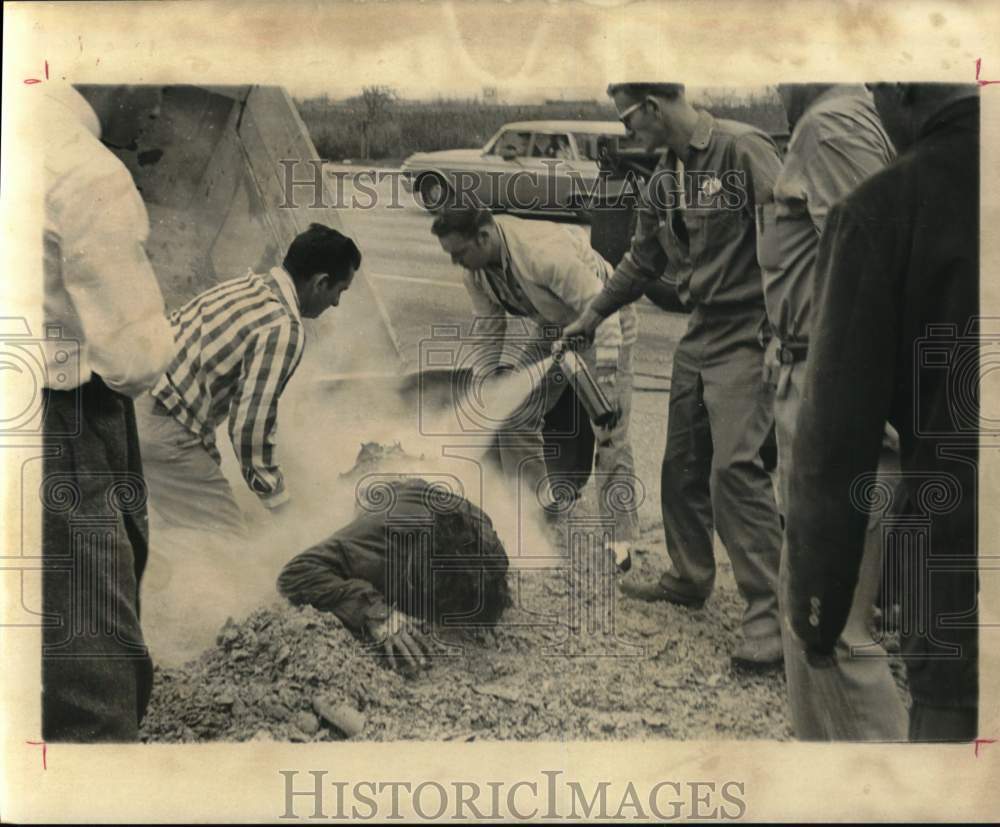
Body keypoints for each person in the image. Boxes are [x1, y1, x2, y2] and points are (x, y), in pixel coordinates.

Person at [562, 82, 785, 669]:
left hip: (752, 327)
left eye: (628, 122)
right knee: (681, 459)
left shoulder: (742, 151)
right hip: (702, 328)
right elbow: (643, 260)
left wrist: (786, 330)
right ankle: (690, 575)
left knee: (735, 468)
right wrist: (592, 314)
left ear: (654, 108)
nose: (626, 134)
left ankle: (769, 612)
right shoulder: (663, 176)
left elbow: (792, 237)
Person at [785, 83, 979, 742]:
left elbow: (835, 446)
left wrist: (819, 610)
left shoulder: (883, 209)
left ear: (898, 89)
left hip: (962, 570)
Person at [758, 84, 906, 739]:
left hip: (842, 408)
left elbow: (882, 280)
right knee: (808, 613)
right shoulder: (832, 120)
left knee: (836, 626)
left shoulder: (832, 125)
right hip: (822, 389)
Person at [40, 84, 175, 741]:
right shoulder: (89, 169)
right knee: (93, 675)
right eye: (155, 88)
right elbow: (132, 358)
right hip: (59, 415)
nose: (157, 109)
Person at [431, 206, 640, 567]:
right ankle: (535, 508)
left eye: (460, 253)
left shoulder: (542, 252)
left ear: (484, 237)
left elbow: (598, 306)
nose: (457, 263)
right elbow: (488, 328)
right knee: (511, 412)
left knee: (609, 433)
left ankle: (621, 542)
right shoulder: (476, 272)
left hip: (606, 322)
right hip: (555, 326)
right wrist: (485, 389)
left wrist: (606, 371)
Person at [135, 223, 360, 535]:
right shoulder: (283, 327)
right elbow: (248, 428)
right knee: (228, 546)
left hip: (137, 406)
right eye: (340, 291)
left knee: (178, 523)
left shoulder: (250, 286)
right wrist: (282, 506)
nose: (336, 303)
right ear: (321, 283)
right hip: (164, 432)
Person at [277, 477, 512, 673]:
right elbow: (295, 573)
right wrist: (374, 611)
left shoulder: (486, 545)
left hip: (410, 490)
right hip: (374, 490)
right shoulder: (383, 543)